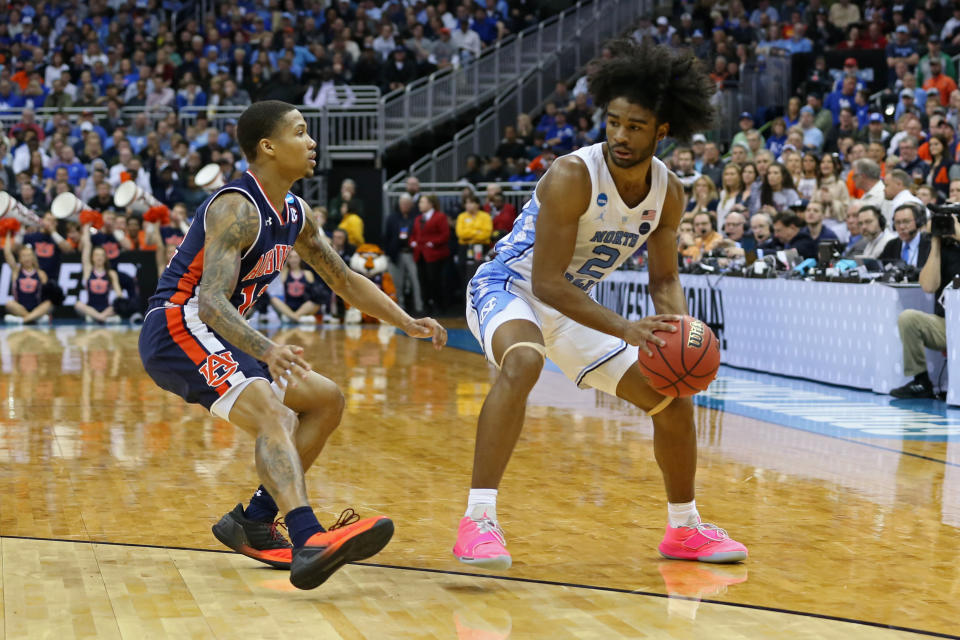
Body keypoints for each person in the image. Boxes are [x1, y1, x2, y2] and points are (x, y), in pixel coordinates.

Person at [455, 40, 747, 571]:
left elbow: (663, 279)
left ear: (662, 131)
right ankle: (478, 519)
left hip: (574, 307)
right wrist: (627, 329)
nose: (619, 135)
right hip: (508, 287)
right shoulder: (573, 175)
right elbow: (544, 281)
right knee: (523, 361)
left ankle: (685, 528)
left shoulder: (669, 192)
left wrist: (675, 331)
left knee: (673, 397)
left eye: (635, 126)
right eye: (613, 122)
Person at [138, 101, 447, 590]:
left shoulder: (296, 213)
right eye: (300, 133)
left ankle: (254, 521)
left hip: (218, 330)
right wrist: (266, 349)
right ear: (268, 147)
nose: (311, 142)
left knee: (326, 400)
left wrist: (405, 320)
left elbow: (343, 279)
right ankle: (308, 537)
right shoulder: (236, 207)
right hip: (179, 326)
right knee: (273, 414)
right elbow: (213, 303)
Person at [891, 214, 960, 398]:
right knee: (909, 319)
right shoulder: (946, 249)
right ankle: (921, 381)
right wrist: (936, 243)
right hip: (947, 323)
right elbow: (928, 286)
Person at [74, 223, 124, 324]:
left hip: (107, 309)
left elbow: (119, 295)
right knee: (78, 304)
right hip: (90, 308)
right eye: (96, 255)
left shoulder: (111, 273)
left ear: (105, 258)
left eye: (102, 255)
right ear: (92, 257)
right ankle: (101, 318)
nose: (99, 257)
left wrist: (114, 307)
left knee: (119, 303)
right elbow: (87, 246)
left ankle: (97, 318)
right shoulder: (88, 270)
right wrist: (86, 227)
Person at [3, 233, 54, 325]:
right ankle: (34, 318)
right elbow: (7, 253)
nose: (27, 258)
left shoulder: (41, 274)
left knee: (48, 303)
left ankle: (22, 320)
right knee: (9, 303)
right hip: (20, 308)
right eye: (24, 256)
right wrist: (8, 232)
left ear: (33, 257)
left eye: (29, 255)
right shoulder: (16, 271)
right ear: (20, 259)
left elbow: (47, 294)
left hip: (37, 307)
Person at [269, 248, 323, 324]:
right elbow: (280, 261)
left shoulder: (307, 274)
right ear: (287, 259)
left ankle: (292, 317)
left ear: (300, 258)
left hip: (304, 307)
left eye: (296, 257)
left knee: (315, 303)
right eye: (291, 257)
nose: (293, 260)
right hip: (288, 307)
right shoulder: (285, 273)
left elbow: (313, 294)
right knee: (274, 299)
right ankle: (298, 318)